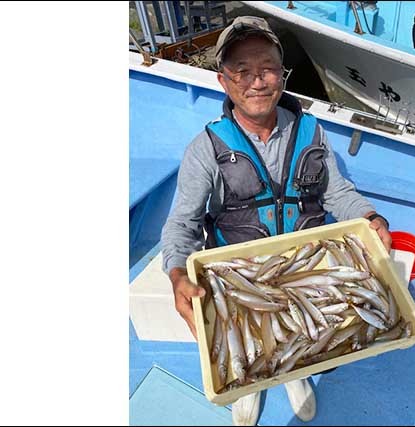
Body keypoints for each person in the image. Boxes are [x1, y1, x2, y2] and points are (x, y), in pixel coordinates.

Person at [161, 16, 392, 426]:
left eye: (267, 68)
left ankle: (294, 374)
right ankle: (250, 385)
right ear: (223, 81)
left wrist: (370, 216)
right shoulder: (205, 149)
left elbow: (336, 192)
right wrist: (178, 273)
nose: (257, 81)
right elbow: (182, 224)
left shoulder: (311, 130)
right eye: (242, 71)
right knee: (246, 347)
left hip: (303, 268)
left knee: (307, 341)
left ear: (282, 75)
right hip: (240, 275)